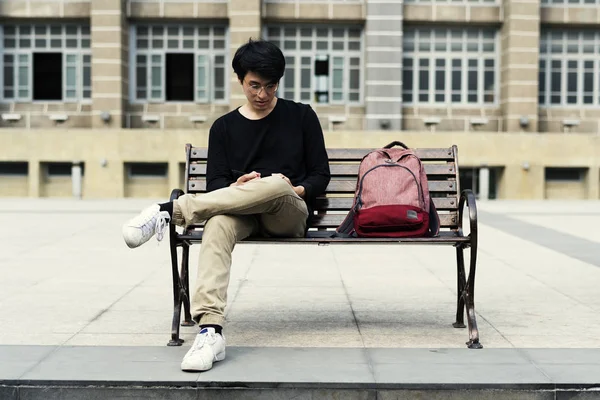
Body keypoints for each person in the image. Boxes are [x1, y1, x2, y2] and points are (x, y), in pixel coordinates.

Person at [121, 39, 331, 372]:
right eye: (254, 86)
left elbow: (321, 173)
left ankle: (169, 210)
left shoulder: (301, 116)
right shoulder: (223, 128)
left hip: (288, 213)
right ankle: (210, 331)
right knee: (217, 225)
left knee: (275, 183)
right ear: (240, 80)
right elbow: (216, 187)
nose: (262, 94)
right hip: (241, 214)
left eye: (270, 86)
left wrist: (296, 188)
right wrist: (237, 187)